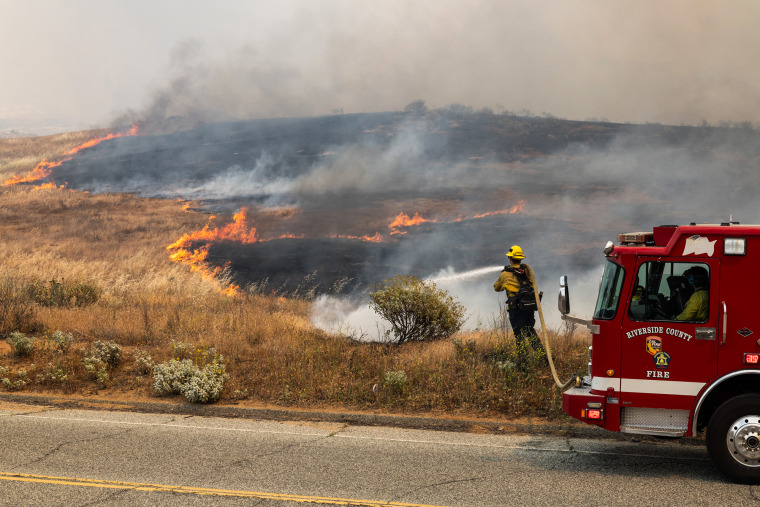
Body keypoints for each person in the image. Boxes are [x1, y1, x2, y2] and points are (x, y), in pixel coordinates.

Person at [493, 245, 546, 362]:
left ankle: (523, 362)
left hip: (516, 309)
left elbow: (497, 288)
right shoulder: (526, 271)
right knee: (530, 332)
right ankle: (543, 357)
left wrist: (506, 273)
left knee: (519, 335)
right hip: (529, 307)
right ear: (521, 259)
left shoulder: (505, 274)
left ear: (510, 259)